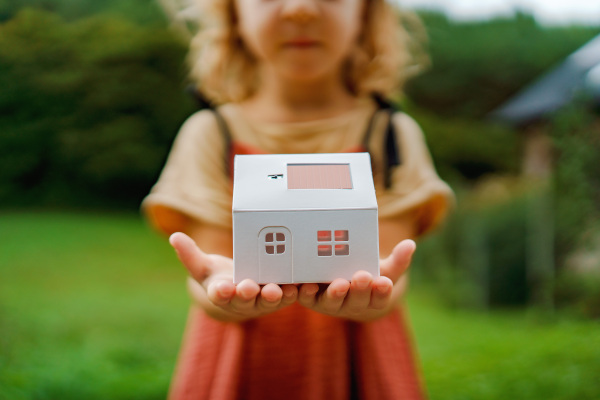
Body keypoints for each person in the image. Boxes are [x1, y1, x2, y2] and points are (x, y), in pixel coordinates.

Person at [142, 0, 454, 398]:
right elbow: (212, 269)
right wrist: (221, 292)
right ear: (233, 13)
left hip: (359, 363)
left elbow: (390, 269)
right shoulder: (211, 133)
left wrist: (375, 293)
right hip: (241, 363)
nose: (301, 9)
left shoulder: (389, 134)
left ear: (367, 13)